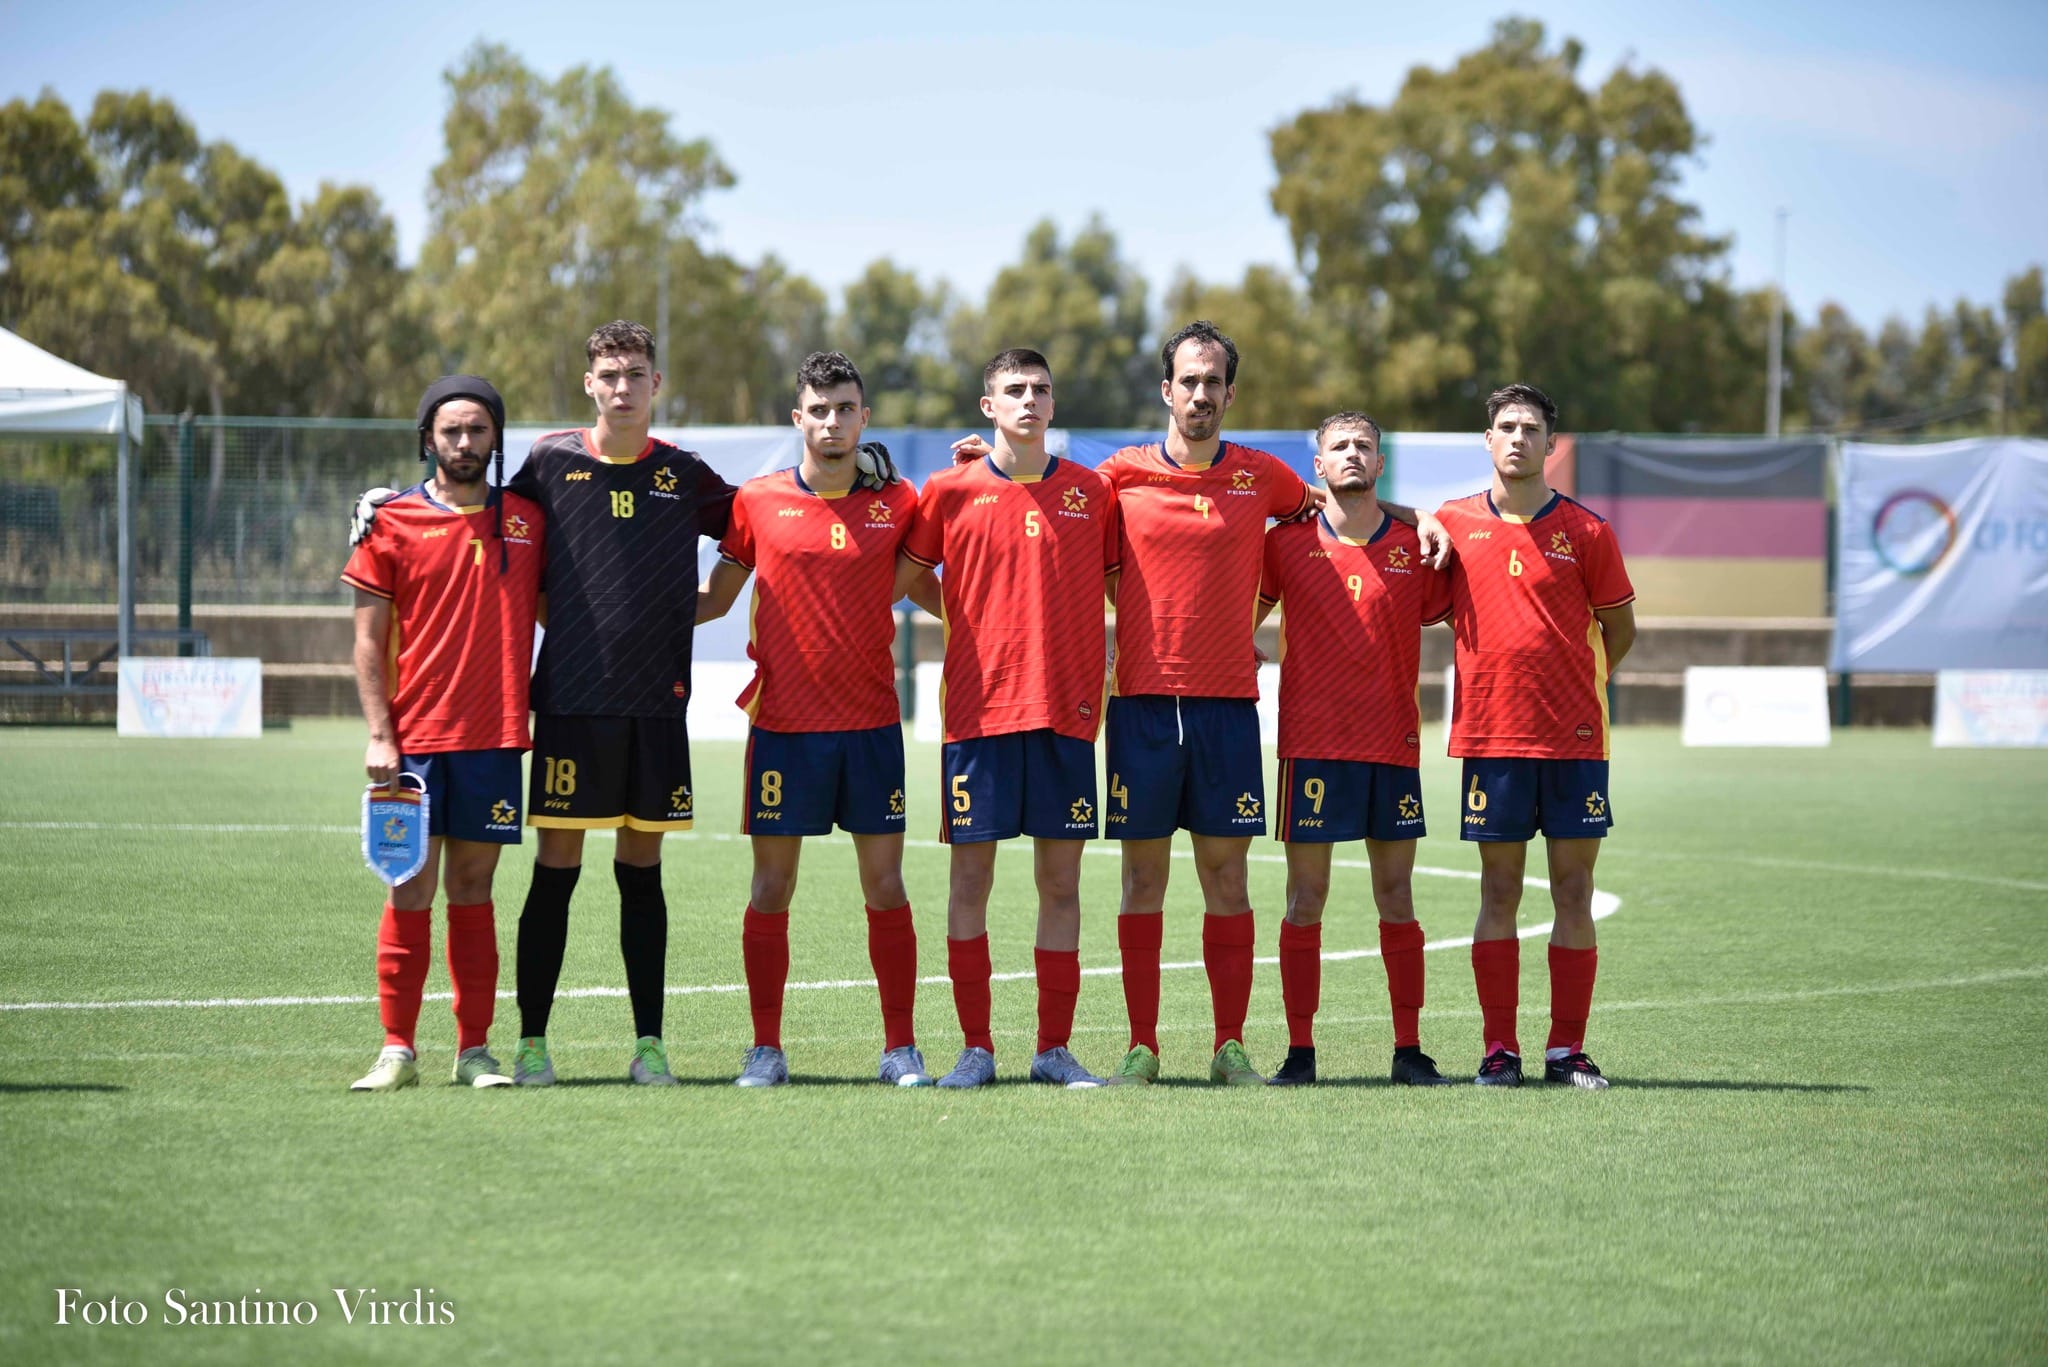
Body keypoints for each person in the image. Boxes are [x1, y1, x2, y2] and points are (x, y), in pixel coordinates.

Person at [952, 321, 1448, 1085]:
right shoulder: (1117, 476)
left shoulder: (1264, 478)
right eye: (1189, 380)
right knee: (1142, 880)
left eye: (1214, 381)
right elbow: (1048, 497)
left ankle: (1229, 1044)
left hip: (1226, 708)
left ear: (1229, 393)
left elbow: (1342, 506)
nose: (1201, 393)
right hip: (1142, 706)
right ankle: (1142, 1045)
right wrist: (980, 465)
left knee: (1228, 880)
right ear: (1166, 390)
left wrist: (1424, 518)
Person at [503, 320, 739, 1087]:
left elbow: (760, 526)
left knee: (642, 871)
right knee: (556, 869)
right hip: (572, 701)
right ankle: (533, 1041)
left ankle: (650, 1045)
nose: (622, 388)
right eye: (609, 374)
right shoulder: (547, 462)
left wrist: (701, 604)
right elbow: (492, 531)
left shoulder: (683, 473)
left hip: (657, 705)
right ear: (588, 385)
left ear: (656, 385)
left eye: (636, 374)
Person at [697, 351, 940, 1088]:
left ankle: (901, 1047)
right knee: (771, 888)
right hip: (784, 727)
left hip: (869, 727)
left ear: (864, 417)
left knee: (887, 887)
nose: (832, 422)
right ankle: (765, 1048)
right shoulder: (756, 502)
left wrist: (1021, 627)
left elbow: (936, 591)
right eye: (819, 409)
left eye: (845, 409)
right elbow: (713, 600)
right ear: (797, 417)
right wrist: (617, 619)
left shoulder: (900, 503)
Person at [898, 348, 1120, 1090]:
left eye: (1041, 390)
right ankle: (976, 1047)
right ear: (988, 404)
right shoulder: (950, 489)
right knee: (970, 882)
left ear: (1054, 406)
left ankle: (1053, 1048)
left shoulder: (1093, 491)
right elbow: (905, 574)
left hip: (1065, 714)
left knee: (1061, 884)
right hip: (979, 713)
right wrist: (963, 613)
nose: (1029, 399)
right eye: (1014, 390)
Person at [340, 375, 542, 1091]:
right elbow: (368, 642)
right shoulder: (389, 521)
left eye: (478, 430)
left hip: (494, 739)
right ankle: (397, 1047)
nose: (464, 443)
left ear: (495, 438)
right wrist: (378, 734)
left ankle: (474, 1050)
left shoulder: (527, 517)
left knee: (473, 889)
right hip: (415, 740)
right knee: (408, 887)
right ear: (428, 439)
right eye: (451, 431)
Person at [1436, 383, 1636, 1088]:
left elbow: (1621, 629)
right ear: (1487, 440)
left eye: (1531, 427)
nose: (1517, 437)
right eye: (1505, 426)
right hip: (1492, 740)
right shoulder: (1453, 523)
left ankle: (1566, 1050)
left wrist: (1576, 686)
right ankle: (1499, 1049)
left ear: (1553, 444)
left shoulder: (1587, 532)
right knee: (1498, 894)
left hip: (1576, 741)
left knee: (1573, 890)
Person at [1254, 411, 1455, 1086]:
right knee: (1304, 896)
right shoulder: (1282, 546)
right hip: (1310, 747)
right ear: (1318, 465)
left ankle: (1409, 1048)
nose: (1351, 454)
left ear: (1380, 462)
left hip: (1392, 745)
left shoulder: (1416, 544)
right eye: (1338, 446)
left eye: (1363, 445)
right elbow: (1239, 614)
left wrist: (1424, 515)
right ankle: (1300, 1051)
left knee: (1396, 894)